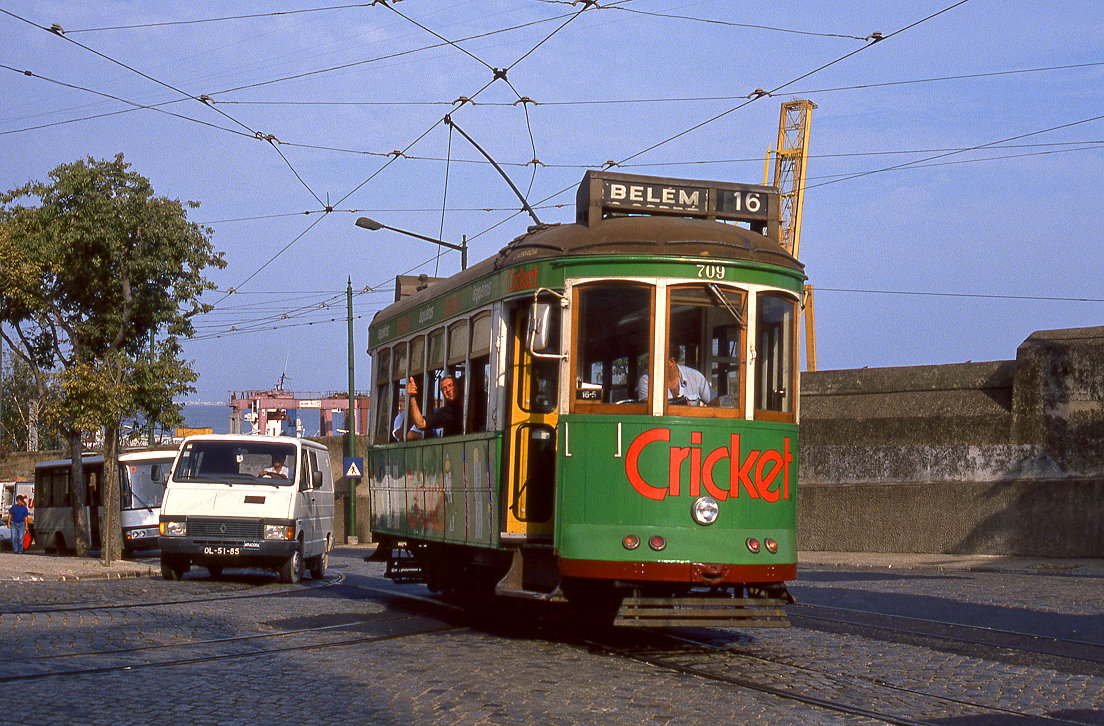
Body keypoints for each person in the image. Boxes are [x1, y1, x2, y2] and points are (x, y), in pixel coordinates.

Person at [637, 350, 718, 406]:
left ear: (671, 361)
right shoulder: (647, 380)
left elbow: (715, 403)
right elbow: (647, 408)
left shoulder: (695, 377)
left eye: (657, 361)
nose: (653, 365)